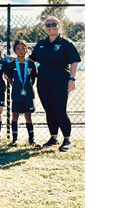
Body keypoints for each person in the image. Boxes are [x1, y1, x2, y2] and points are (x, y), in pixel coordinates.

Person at [29, 16, 81, 152]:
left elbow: (74, 61)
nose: (51, 27)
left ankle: (67, 139)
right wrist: (15, 59)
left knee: (60, 111)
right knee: (49, 111)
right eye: (48, 25)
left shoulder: (66, 43)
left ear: (59, 26)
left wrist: (72, 79)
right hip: (43, 83)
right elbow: (31, 59)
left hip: (60, 83)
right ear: (45, 28)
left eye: (54, 24)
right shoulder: (41, 44)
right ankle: (53, 137)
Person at [6, 40, 40, 147]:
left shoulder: (31, 64)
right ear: (14, 50)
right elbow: (9, 79)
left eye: (23, 48)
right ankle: (14, 139)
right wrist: (17, 86)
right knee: (15, 115)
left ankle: (31, 139)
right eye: (18, 49)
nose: (21, 51)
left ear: (27, 50)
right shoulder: (11, 64)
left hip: (28, 94)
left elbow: (33, 79)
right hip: (16, 94)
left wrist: (27, 86)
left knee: (28, 117)